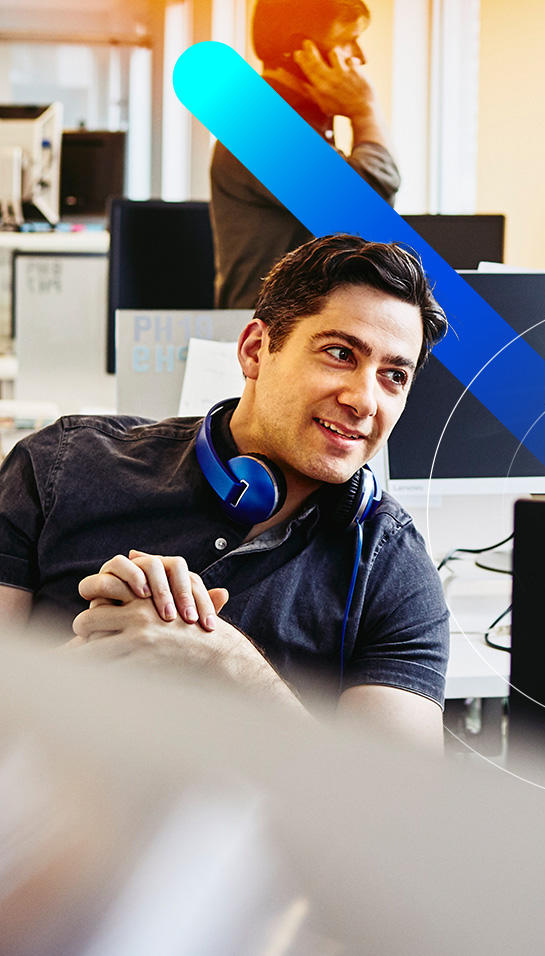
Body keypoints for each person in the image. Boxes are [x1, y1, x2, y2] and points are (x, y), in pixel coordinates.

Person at [0, 234, 450, 748]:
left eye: (394, 375)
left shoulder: (391, 567)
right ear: (256, 350)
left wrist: (225, 663)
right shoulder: (61, 466)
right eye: (340, 353)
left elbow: (394, 808)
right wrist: (99, 657)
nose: (365, 400)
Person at [210, 0, 401, 310]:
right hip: (269, 349)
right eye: (349, 41)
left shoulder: (296, 125)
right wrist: (365, 112)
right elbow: (368, 211)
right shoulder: (255, 126)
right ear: (301, 51)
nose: (360, 57)